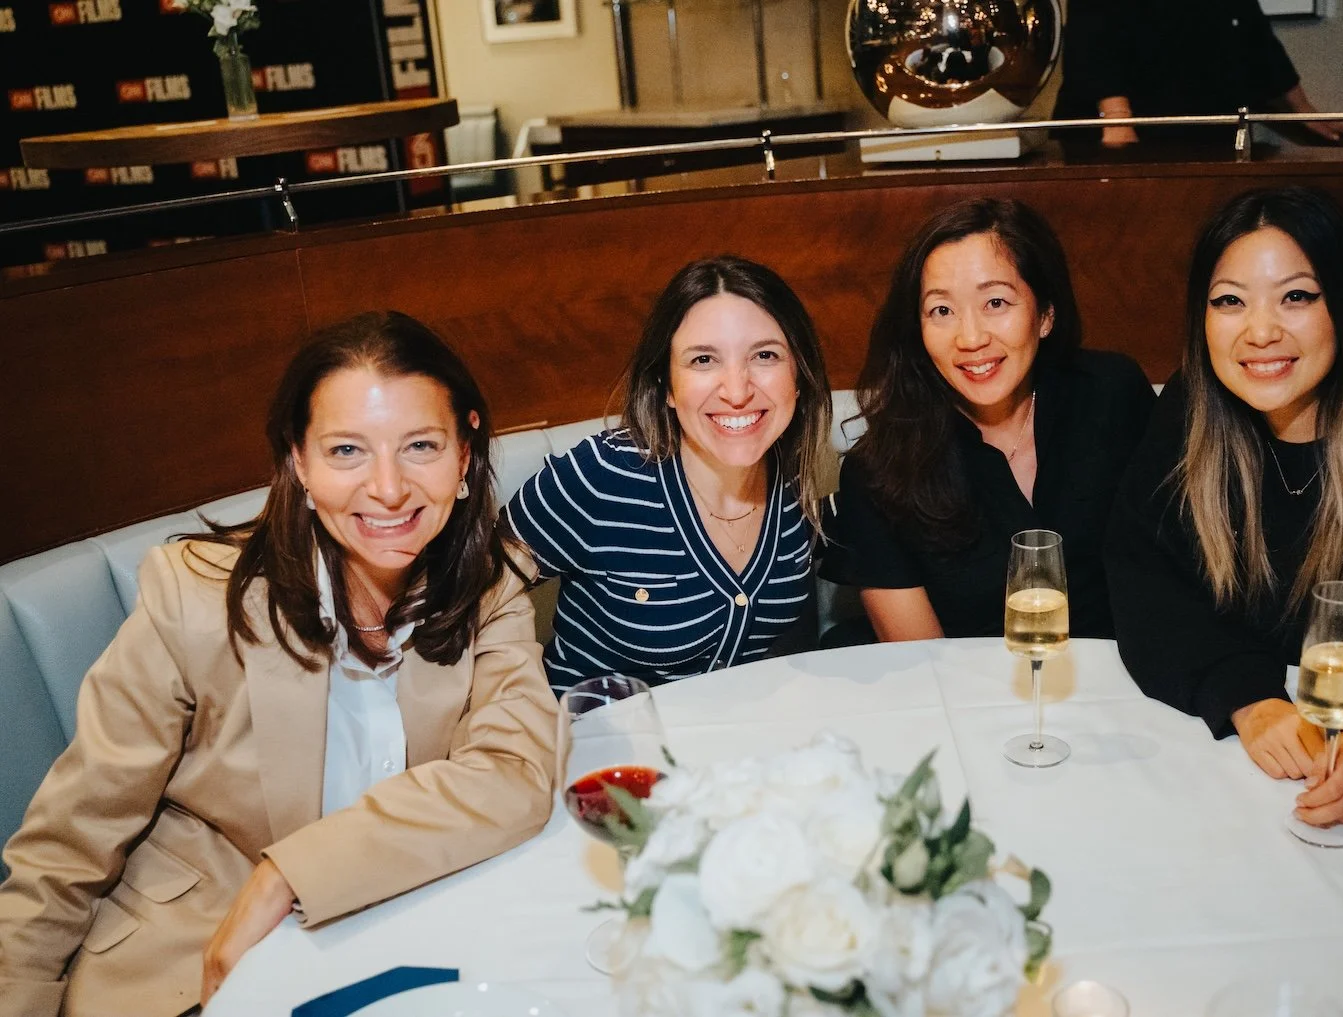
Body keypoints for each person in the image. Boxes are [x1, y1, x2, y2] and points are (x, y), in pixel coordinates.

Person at [0, 312, 558, 1017]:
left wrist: (287, 872)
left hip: (395, 939)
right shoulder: (194, 596)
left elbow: (516, 771)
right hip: (189, 962)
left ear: (464, 454)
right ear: (298, 460)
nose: (387, 488)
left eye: (420, 444)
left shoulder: (490, 585)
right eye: (347, 450)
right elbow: (67, 848)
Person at [1106, 187, 1343, 828]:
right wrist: (1246, 698)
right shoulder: (1187, 416)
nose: (1261, 331)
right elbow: (1144, 580)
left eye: (1297, 296)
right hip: (1242, 787)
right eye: (1229, 301)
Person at [820, 198, 1156, 644]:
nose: (971, 338)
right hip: (966, 698)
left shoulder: (1112, 396)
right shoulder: (879, 470)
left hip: (1126, 686)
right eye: (942, 310)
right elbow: (923, 664)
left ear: (1046, 315)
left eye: (995, 302)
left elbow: (1174, 578)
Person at [507, 256, 833, 693]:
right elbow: (473, 601)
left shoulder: (791, 478)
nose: (737, 391)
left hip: (715, 747)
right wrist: (513, 720)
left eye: (765, 355)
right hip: (592, 747)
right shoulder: (604, 476)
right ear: (667, 386)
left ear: (798, 375)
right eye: (703, 360)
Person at [1054, 0, 1343, 147]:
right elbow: (1093, 32)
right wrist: (1118, 118)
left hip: (1200, 133)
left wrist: (1302, 109)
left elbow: (1257, 38)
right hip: (1119, 136)